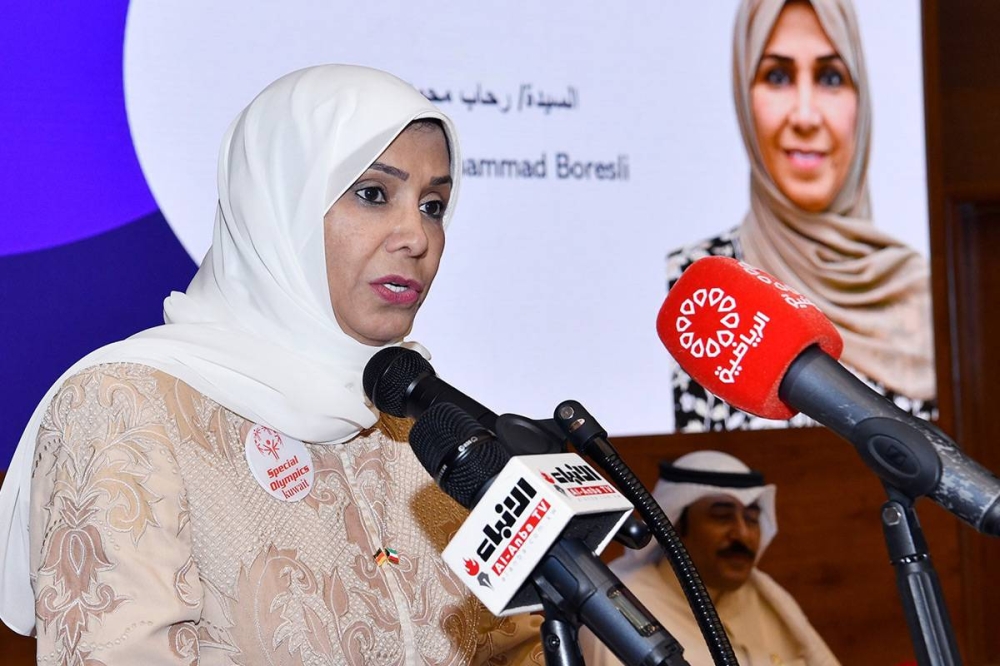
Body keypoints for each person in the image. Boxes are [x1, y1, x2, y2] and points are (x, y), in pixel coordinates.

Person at [0, 64, 542, 664]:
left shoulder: (416, 414)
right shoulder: (123, 408)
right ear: (277, 204)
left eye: (433, 205)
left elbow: (520, 643)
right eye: (372, 194)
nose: (417, 236)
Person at [668, 0, 936, 432]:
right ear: (743, 94)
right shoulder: (693, 292)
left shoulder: (928, 291)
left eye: (831, 78)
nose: (806, 117)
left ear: (862, 98)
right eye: (777, 76)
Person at [580, 451, 839, 666]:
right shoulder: (621, 609)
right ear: (674, 527)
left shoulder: (768, 597)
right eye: (722, 516)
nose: (742, 534)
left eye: (751, 519)